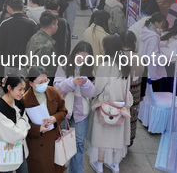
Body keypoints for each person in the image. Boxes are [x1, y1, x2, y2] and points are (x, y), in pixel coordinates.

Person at [87, 35, 132, 173]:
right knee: (116, 138)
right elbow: (127, 87)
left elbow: (98, 88)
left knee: (102, 138)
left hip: (105, 105)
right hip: (120, 105)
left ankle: (99, 163)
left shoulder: (105, 65)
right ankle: (114, 164)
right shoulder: (125, 64)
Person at [54, 41, 96, 173]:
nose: (82, 60)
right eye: (80, 57)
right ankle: (60, 167)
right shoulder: (64, 65)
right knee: (62, 142)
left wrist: (85, 84)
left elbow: (91, 93)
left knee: (78, 144)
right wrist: (72, 82)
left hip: (81, 113)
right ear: (74, 54)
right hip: (64, 110)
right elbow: (57, 86)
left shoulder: (89, 69)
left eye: (86, 58)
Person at [22, 66, 67, 173]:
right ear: (31, 83)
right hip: (37, 144)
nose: (44, 84)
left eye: (46, 81)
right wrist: (38, 129)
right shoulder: (25, 99)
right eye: (40, 82)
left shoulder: (53, 92)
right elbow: (23, 124)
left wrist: (55, 118)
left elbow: (63, 111)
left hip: (54, 139)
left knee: (56, 167)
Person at [0, 74, 30, 173]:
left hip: (19, 149)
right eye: (20, 89)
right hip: (4, 154)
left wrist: (21, 127)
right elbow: (15, 135)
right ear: (9, 88)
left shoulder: (18, 102)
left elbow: (19, 129)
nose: (22, 93)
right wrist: (23, 122)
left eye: (24, 89)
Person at [0, 0, 38, 79]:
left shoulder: (5, 23)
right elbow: (35, 44)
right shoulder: (32, 23)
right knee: (22, 87)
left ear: (10, 8)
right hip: (25, 62)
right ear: (23, 8)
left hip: (8, 61)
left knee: (10, 86)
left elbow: (0, 44)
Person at [120, 30, 144, 146]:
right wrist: (142, 94)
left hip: (120, 92)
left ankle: (118, 138)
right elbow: (144, 77)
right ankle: (129, 140)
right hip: (135, 92)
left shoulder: (117, 57)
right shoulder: (140, 58)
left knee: (119, 115)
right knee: (131, 116)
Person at [138, 12, 168, 94]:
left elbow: (149, 45)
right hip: (150, 69)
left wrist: (162, 44)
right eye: (162, 22)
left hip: (143, 64)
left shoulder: (146, 29)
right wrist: (167, 57)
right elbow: (153, 57)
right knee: (153, 94)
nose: (163, 24)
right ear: (156, 23)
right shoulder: (153, 37)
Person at [25, 10, 60, 78]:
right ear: (52, 25)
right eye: (56, 24)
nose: (57, 26)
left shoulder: (34, 37)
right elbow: (38, 71)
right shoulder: (46, 46)